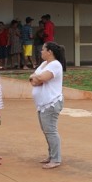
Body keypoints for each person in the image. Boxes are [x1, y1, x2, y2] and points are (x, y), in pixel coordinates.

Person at [29, 41, 66, 169]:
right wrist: (36, 78)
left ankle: (56, 159)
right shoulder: (44, 64)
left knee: (51, 131)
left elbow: (40, 78)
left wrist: (36, 78)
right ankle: (51, 155)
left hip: (51, 103)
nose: (41, 51)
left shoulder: (55, 64)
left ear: (49, 52)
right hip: (43, 104)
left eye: (43, 49)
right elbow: (34, 79)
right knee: (46, 131)